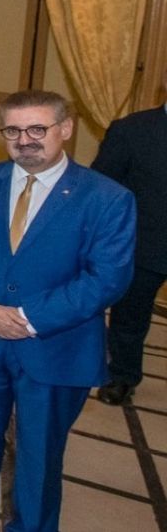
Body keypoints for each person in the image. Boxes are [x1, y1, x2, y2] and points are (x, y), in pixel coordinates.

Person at [0, 90, 134, 532]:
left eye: (37, 129)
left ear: (65, 129)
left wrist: (25, 318)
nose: (24, 140)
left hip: (54, 349)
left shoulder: (107, 198)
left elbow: (107, 278)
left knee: (38, 458)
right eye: (13, 130)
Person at [91, 75, 167, 406]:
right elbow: (103, 187)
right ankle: (122, 375)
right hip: (145, 244)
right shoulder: (131, 130)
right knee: (130, 317)